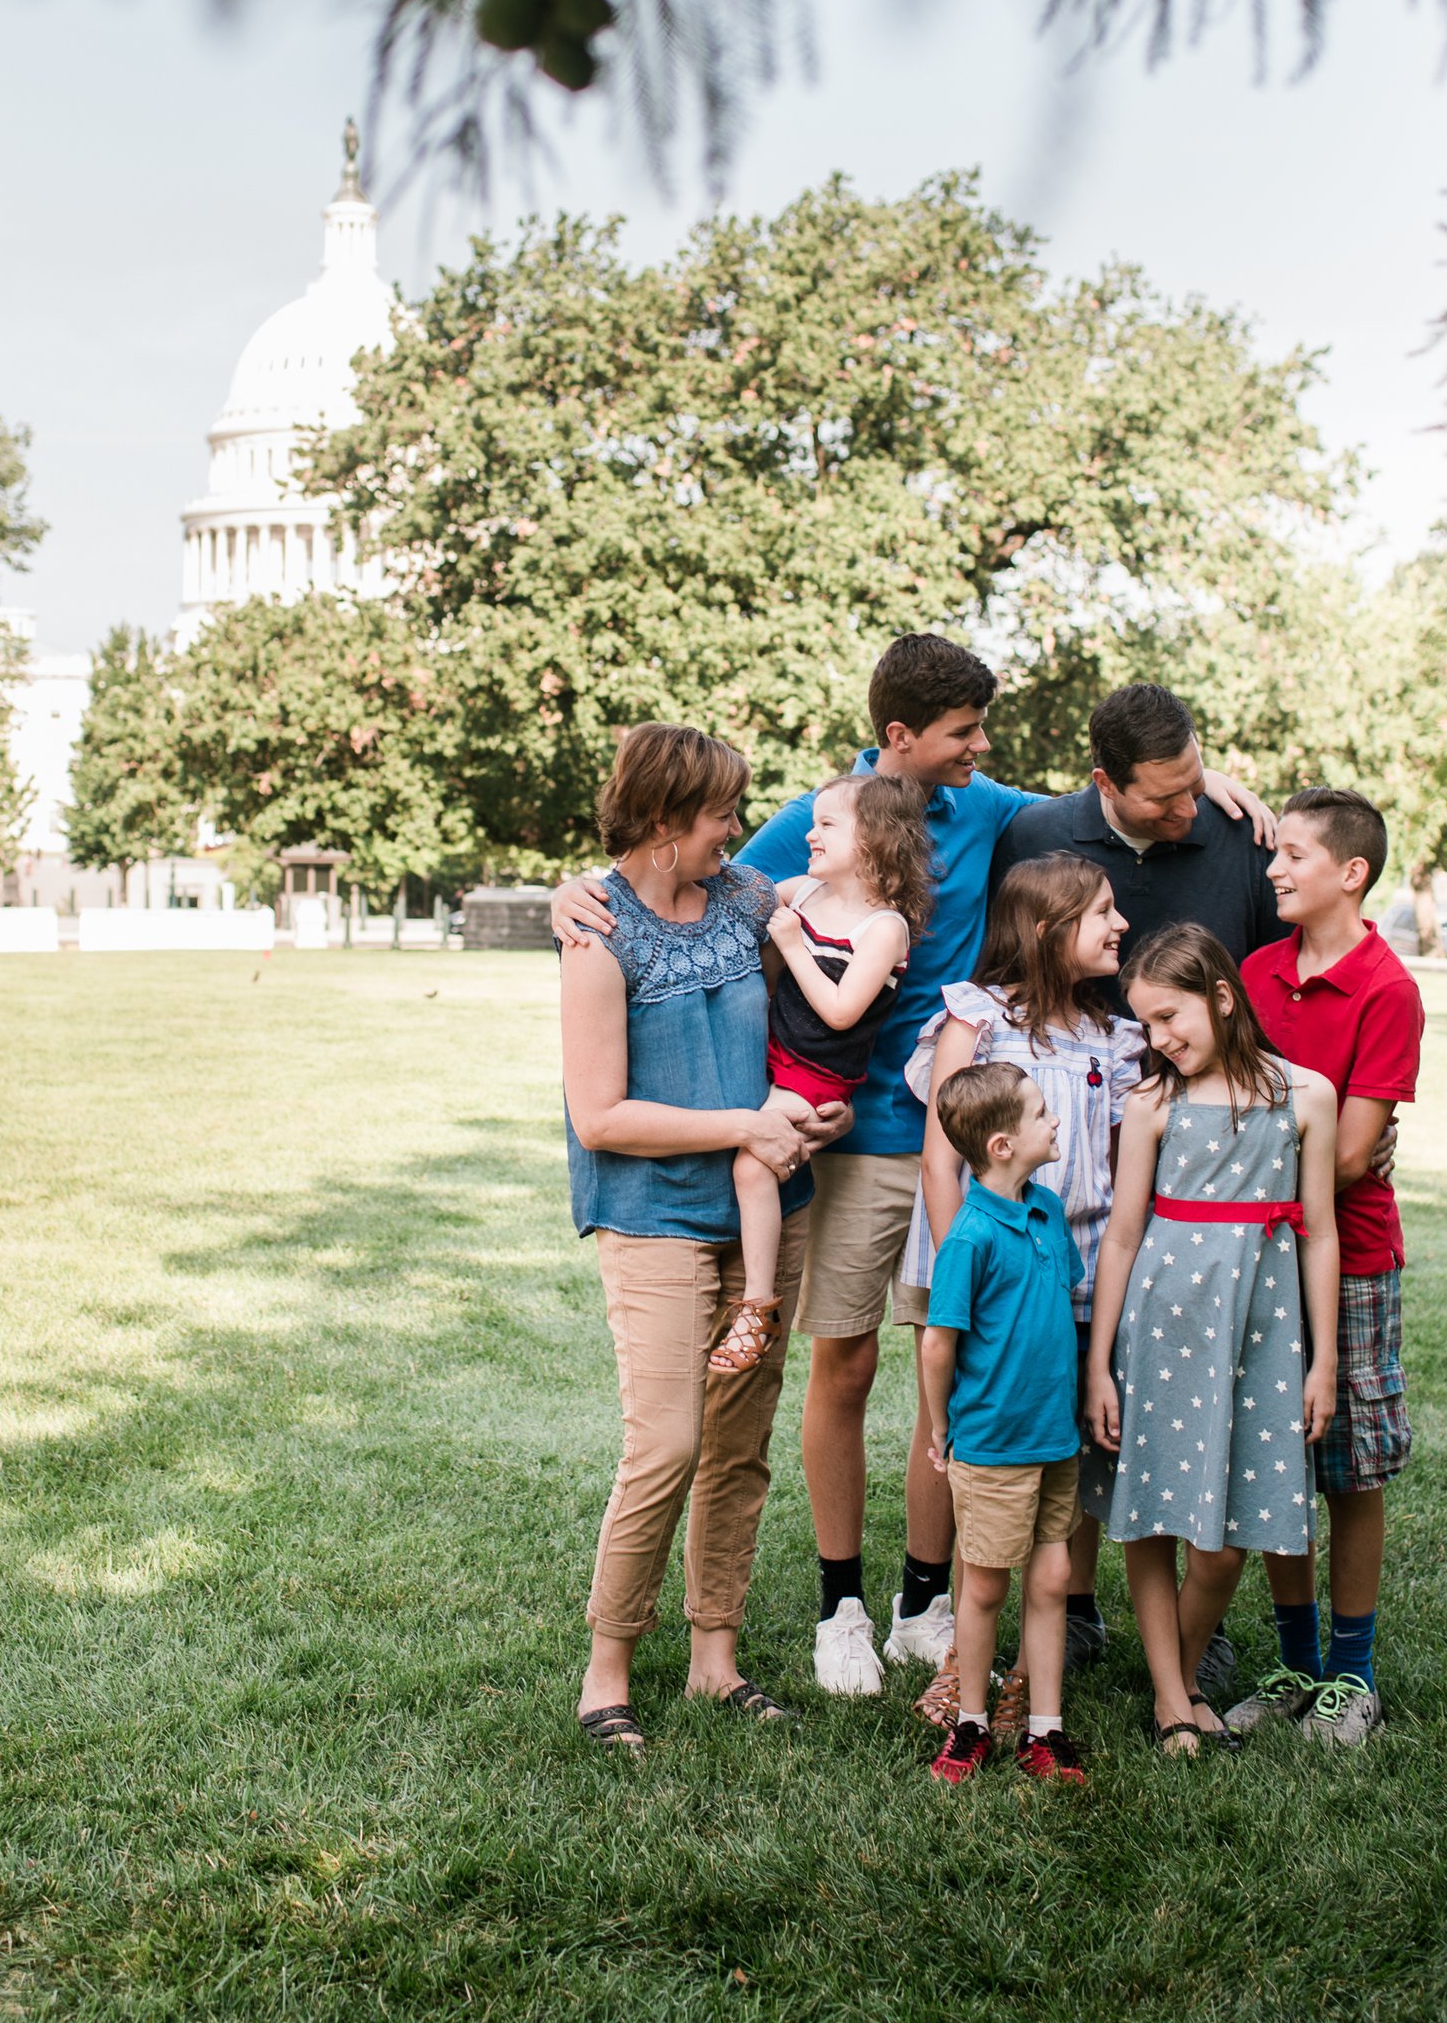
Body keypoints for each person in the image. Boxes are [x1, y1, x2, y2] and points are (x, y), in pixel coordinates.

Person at [552, 635, 1273, 1699]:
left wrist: (1203, 781)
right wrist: (580, 889)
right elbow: (693, 867)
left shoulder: (992, 806)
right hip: (840, 1144)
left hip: (964, 1138)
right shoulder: (825, 809)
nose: (981, 749)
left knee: (970, 1363)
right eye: (963, 734)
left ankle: (923, 1602)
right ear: (901, 738)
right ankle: (839, 1604)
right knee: (842, 1367)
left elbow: (1104, 786)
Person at [558, 721, 851, 1751]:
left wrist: (820, 1111)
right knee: (666, 1444)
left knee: (738, 1445)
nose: (738, 827)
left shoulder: (747, 901)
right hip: (653, 1219)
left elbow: (818, 1021)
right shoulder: (599, 937)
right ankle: (609, 1668)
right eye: (722, 812)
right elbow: (600, 1116)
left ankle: (714, 1657)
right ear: (661, 819)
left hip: (770, 1212)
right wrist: (745, 1126)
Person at [1086, 924, 1339, 1757]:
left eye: (1170, 1016)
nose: (1159, 1039)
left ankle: (1182, 1672)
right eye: (1147, 1025)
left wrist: (1324, 1360)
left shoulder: (1305, 1097)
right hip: (1162, 1329)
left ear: (1221, 997)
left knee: (1225, 1547)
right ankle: (1172, 1701)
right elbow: (1122, 1236)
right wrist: (1101, 1365)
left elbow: (1321, 1234)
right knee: (1156, 1516)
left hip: (1261, 1337)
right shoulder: (1152, 1105)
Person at [903, 853, 1144, 1721]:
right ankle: (965, 1654)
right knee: (989, 1452)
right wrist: (960, 1267)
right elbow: (940, 1157)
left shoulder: (1115, 1037)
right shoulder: (979, 1018)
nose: (1121, 925)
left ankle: (1029, 1668)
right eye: (1102, 912)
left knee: (1062, 1455)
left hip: (1078, 1274)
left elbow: (1121, 1166)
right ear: (1047, 929)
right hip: (994, 1276)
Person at [1232, 786, 1423, 1747]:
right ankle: (1293, 1660)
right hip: (1258, 1251)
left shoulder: (1388, 988)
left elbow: (1349, 1158)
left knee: (1348, 1466)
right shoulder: (1256, 973)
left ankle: (1353, 1672)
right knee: (1276, 1456)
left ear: (1349, 872)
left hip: (1351, 1259)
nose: (1274, 868)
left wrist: (1259, 1140)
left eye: (1294, 854)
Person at [708, 769, 930, 1378]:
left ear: (876, 839)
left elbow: (839, 1012)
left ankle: (757, 1306)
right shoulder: (803, 893)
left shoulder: (884, 927)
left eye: (828, 824)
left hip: (816, 1076)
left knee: (752, 1164)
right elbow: (723, 891)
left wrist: (791, 943)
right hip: (767, 1057)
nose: (811, 834)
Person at [919, 1059, 1090, 1785]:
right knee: (985, 1587)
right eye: (1042, 1113)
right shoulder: (968, 1236)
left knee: (1051, 1579)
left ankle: (1043, 1732)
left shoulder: (1046, 1213)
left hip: (1055, 1438)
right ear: (1000, 1145)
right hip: (992, 1443)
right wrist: (939, 1428)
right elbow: (938, 1342)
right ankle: (971, 1724)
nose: (1055, 1122)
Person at [989, 682, 1290, 986]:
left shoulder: (1247, 836)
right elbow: (1007, 973)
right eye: (1163, 798)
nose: (1189, 810)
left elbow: (1284, 974)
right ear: (1106, 784)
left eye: (1195, 784)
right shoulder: (1030, 839)